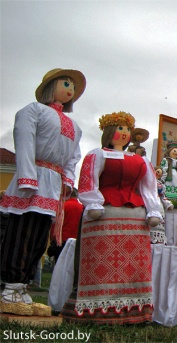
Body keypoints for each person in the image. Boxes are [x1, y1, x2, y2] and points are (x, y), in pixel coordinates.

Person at [61, 111, 163, 325]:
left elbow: (149, 187)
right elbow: (89, 180)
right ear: (109, 132)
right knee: (101, 260)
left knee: (133, 264)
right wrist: (93, 203)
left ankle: (134, 310)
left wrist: (153, 210)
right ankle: (97, 309)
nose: (124, 133)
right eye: (120, 129)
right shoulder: (97, 155)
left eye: (127, 129)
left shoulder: (140, 160)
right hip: (104, 213)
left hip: (135, 218)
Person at [0, 68, 85, 317]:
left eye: (73, 87)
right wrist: (27, 175)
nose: (70, 89)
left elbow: (74, 156)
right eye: (65, 83)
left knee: (40, 235)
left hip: (53, 183)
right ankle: (11, 285)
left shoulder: (75, 126)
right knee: (21, 231)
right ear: (51, 86)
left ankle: (23, 285)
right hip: (34, 176)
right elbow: (24, 140)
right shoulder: (32, 111)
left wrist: (68, 180)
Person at [47, 188, 84, 263]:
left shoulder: (63, 206)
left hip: (61, 240)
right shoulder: (82, 208)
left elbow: (55, 225)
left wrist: (52, 240)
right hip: (77, 241)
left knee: (59, 265)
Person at [159, 141, 177, 209]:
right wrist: (162, 179)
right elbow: (163, 169)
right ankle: (167, 201)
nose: (176, 153)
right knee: (168, 186)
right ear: (169, 151)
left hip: (176, 178)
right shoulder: (166, 160)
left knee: (176, 186)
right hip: (169, 177)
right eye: (174, 151)